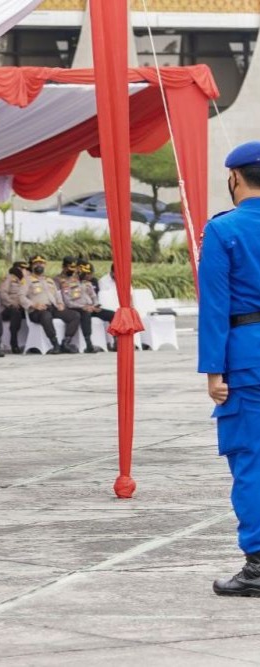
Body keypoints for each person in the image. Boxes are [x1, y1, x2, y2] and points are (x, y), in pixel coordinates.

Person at [198, 140, 260, 597]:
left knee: (252, 463)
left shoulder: (223, 230)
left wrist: (212, 372)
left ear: (234, 178)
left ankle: (258, 566)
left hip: (246, 359)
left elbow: (215, 307)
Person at [19, 255, 79, 354]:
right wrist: (33, 305)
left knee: (75, 315)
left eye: (41, 263)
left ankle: (66, 342)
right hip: (36, 311)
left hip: (52, 307)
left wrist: (60, 303)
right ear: (32, 266)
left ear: (45, 265)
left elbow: (57, 295)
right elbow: (21, 296)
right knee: (46, 315)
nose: (39, 265)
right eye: (36, 263)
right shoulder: (27, 280)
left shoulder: (49, 280)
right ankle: (55, 344)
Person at [58, 259, 114, 353]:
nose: (88, 275)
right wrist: (83, 307)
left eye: (88, 273)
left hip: (91, 308)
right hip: (78, 308)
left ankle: (115, 341)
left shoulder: (87, 283)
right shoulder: (66, 283)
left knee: (112, 314)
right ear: (79, 271)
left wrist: (96, 305)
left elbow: (94, 297)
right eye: (85, 273)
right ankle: (88, 344)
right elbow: (68, 302)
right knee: (86, 313)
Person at [0, 260, 28, 354]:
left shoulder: (27, 280)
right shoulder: (9, 278)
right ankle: (14, 343)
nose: (25, 270)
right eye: (22, 268)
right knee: (16, 313)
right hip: (10, 308)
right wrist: (11, 303)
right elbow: (3, 293)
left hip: (25, 307)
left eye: (26, 269)